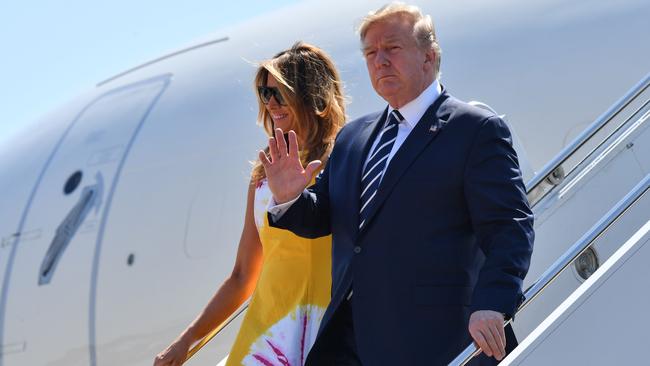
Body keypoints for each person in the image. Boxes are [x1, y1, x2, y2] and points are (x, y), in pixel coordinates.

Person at [260, 3, 534, 365]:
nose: (380, 60)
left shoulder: (474, 129)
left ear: (429, 56)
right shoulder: (353, 137)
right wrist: (290, 198)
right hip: (350, 339)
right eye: (371, 52)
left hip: (435, 338)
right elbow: (325, 217)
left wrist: (492, 304)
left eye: (392, 48)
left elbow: (509, 227)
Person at [153, 42, 346, 366]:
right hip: (267, 335)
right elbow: (243, 274)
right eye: (263, 93)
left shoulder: (343, 157)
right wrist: (186, 340)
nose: (270, 103)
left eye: (278, 93)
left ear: (310, 95)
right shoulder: (262, 176)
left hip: (326, 330)